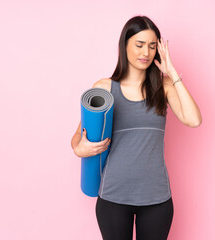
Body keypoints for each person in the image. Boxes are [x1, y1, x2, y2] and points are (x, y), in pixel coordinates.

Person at [71, 15, 202, 240]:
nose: (146, 53)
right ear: (125, 45)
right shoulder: (103, 88)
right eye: (139, 45)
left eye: (152, 46)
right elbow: (77, 140)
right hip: (113, 197)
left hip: (156, 199)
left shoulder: (165, 86)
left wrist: (171, 72)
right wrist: (80, 148)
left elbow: (194, 120)